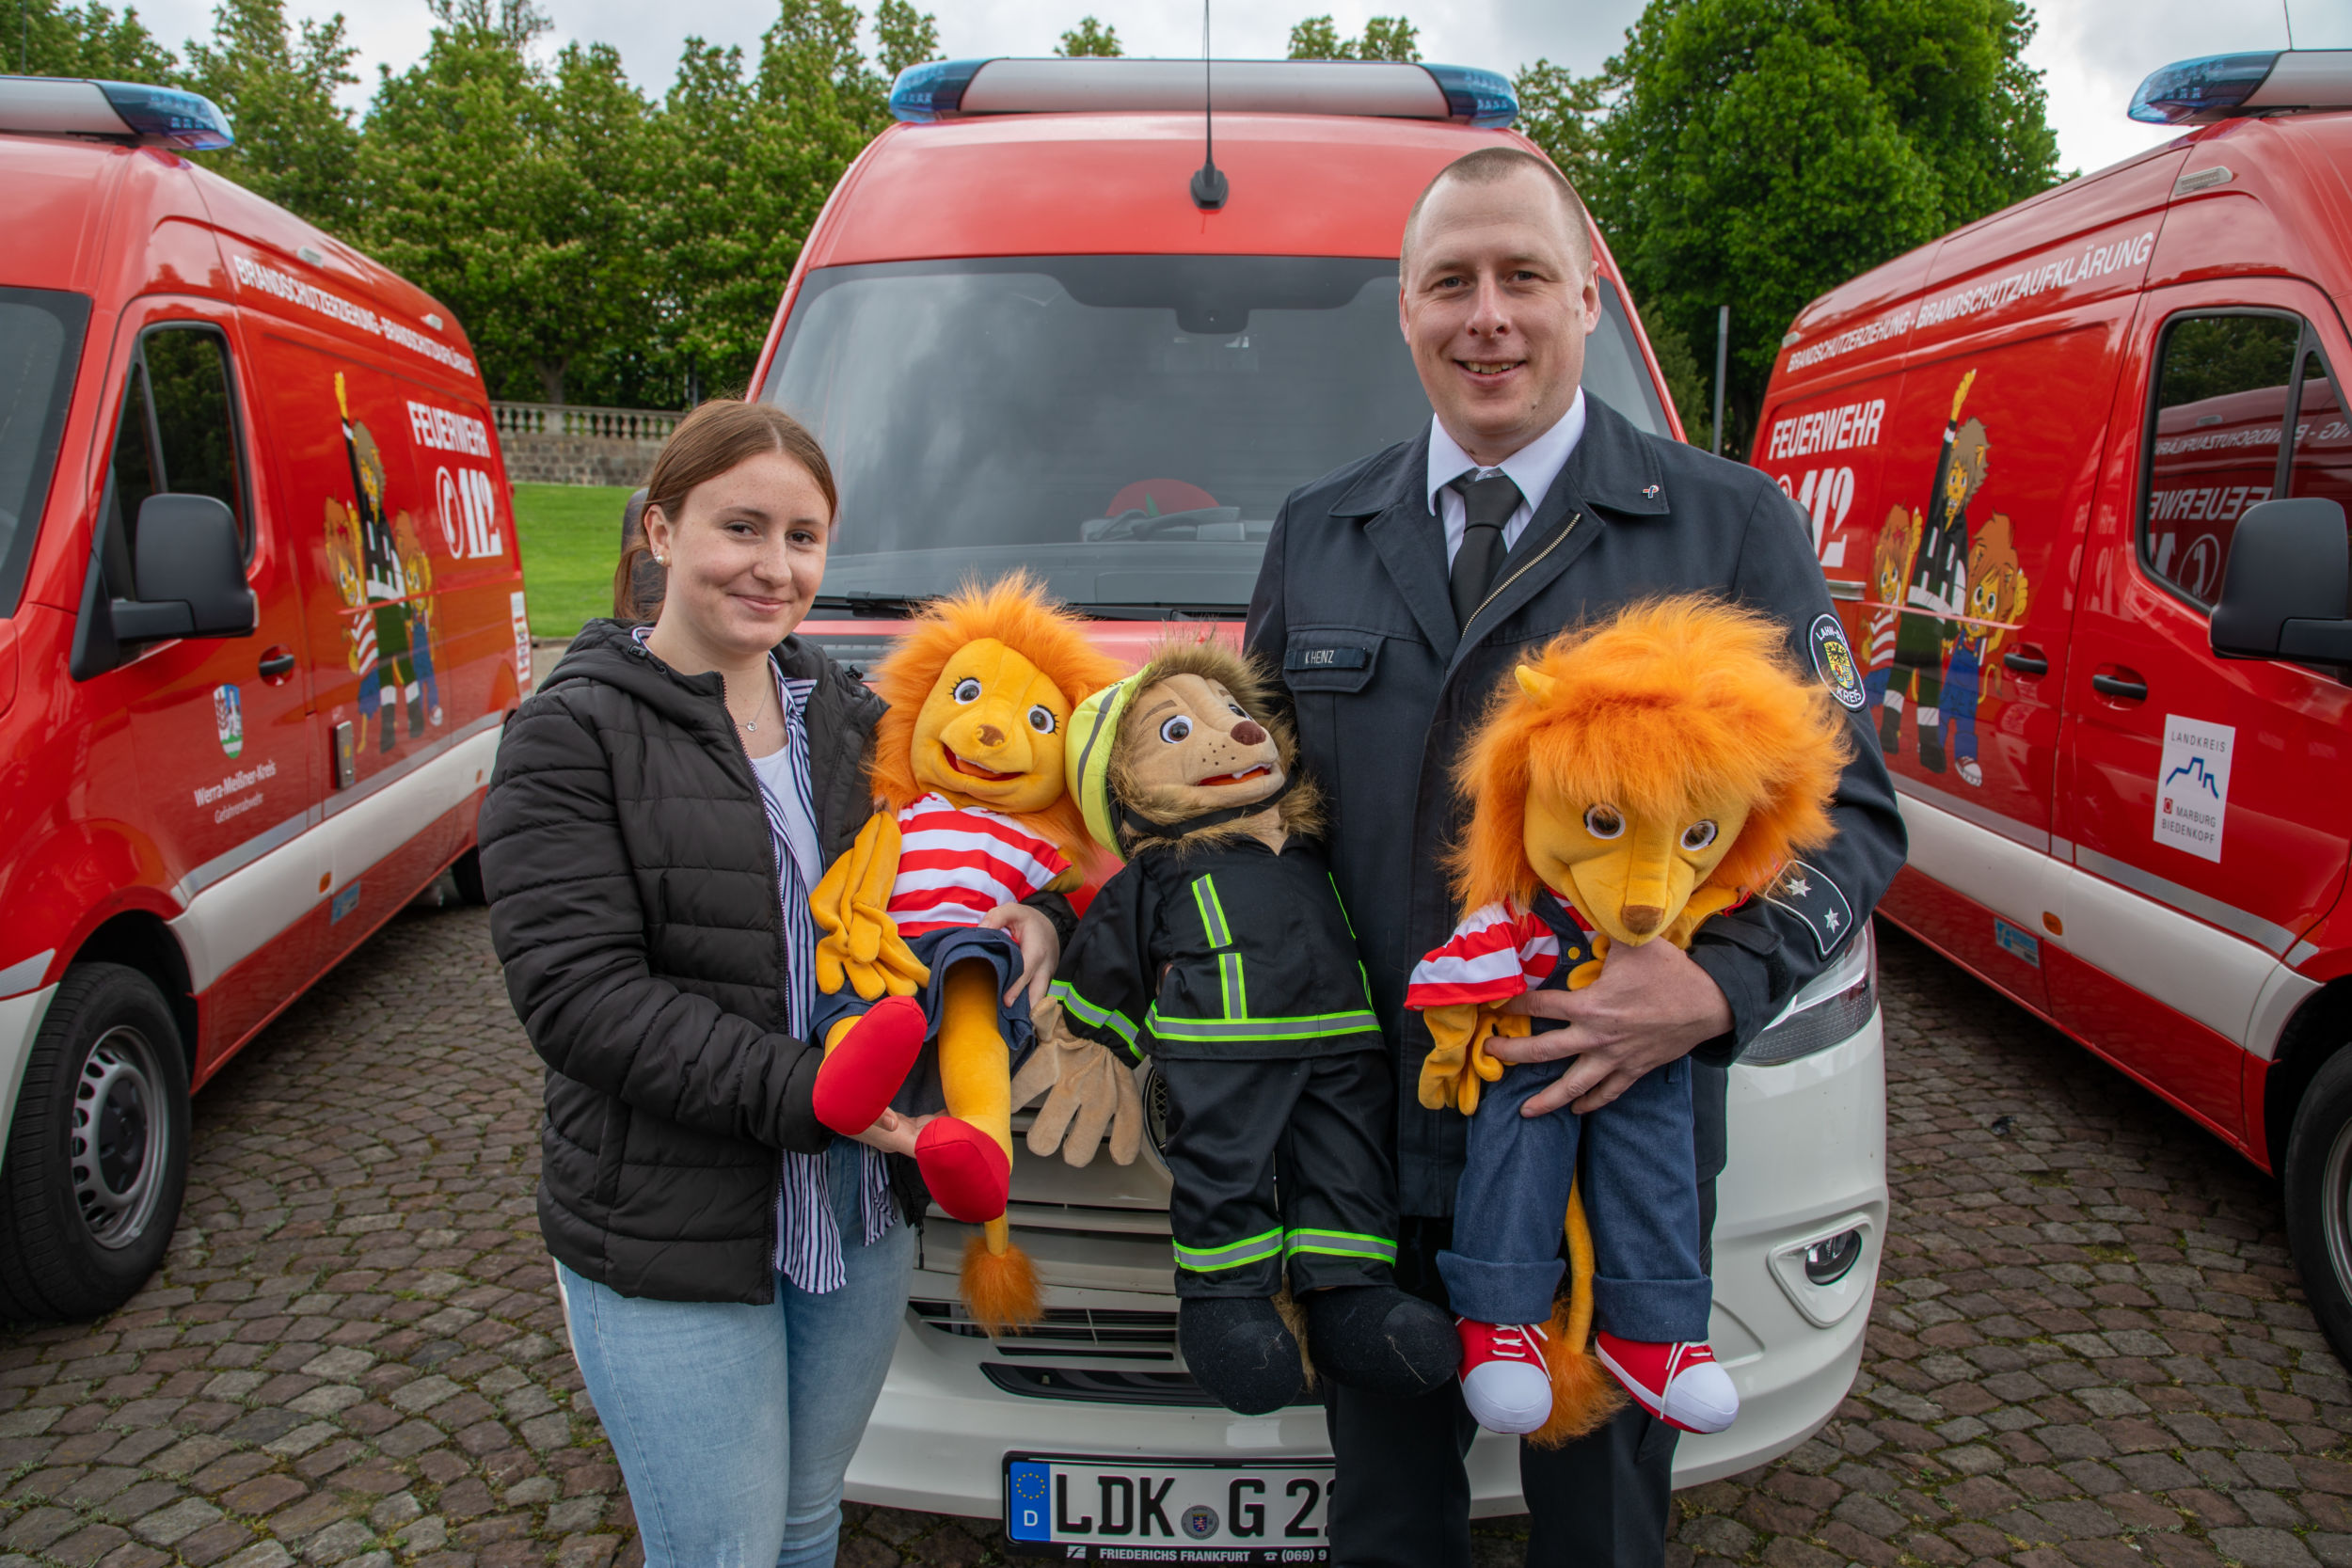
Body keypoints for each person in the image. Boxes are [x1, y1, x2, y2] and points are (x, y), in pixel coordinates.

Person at [1243, 147, 1907, 1568]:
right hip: (1371, 1127)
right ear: (1405, 309)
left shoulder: (1728, 525)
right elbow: (1255, 822)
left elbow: (1857, 816)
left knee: (1603, 1524)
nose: (1488, 316)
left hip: (1618, 1129)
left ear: (1587, 301)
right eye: (1450, 283)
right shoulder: (1319, 534)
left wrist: (1722, 984)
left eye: (1523, 277)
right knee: (1384, 1516)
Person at [479, 401, 1072, 1566]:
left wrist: (1040, 919)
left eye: (803, 538)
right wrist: (818, 1091)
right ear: (659, 529)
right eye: (740, 527)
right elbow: (579, 997)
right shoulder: (568, 733)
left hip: (851, 1222)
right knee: (723, 1549)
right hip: (673, 1229)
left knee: (807, 1522)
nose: (775, 566)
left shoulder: (857, 724)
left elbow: (1003, 833)